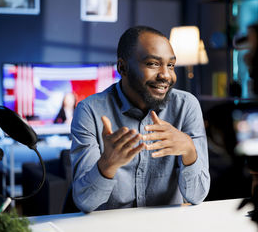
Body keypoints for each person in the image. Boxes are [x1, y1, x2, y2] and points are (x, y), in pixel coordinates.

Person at [70, 26, 210, 213]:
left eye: (170, 65)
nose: (166, 75)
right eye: (153, 64)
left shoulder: (186, 106)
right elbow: (84, 202)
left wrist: (189, 149)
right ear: (123, 67)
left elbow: (197, 196)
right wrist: (107, 164)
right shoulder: (90, 111)